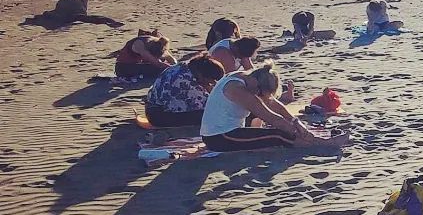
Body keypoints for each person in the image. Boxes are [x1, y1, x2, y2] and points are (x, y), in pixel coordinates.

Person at [200, 63, 349, 151]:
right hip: (219, 137)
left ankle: (308, 140)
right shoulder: (237, 89)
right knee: (278, 134)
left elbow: (273, 104)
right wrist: (300, 132)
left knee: (277, 127)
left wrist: (297, 122)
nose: (259, 95)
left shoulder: (245, 76)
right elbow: (272, 117)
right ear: (257, 85)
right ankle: (319, 144)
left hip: (229, 128)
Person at [144, 54, 225, 127]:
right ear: (203, 76)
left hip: (157, 106)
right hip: (158, 115)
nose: (212, 83)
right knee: (210, 115)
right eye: (211, 80)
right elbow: (207, 105)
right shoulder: (184, 82)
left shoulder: (186, 66)